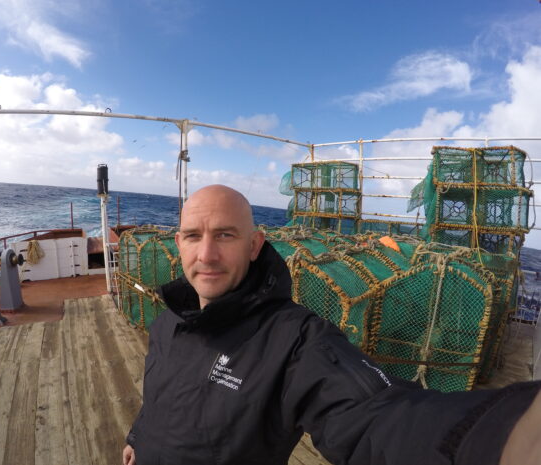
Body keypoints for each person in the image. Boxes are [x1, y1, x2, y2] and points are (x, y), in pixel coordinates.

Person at [123, 184, 541, 465]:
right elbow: (161, 398)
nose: (207, 254)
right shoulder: (168, 321)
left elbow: (374, 417)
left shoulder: (295, 340)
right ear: (178, 244)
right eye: (193, 236)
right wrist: (137, 439)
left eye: (226, 235)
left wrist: (497, 435)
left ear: (255, 246)